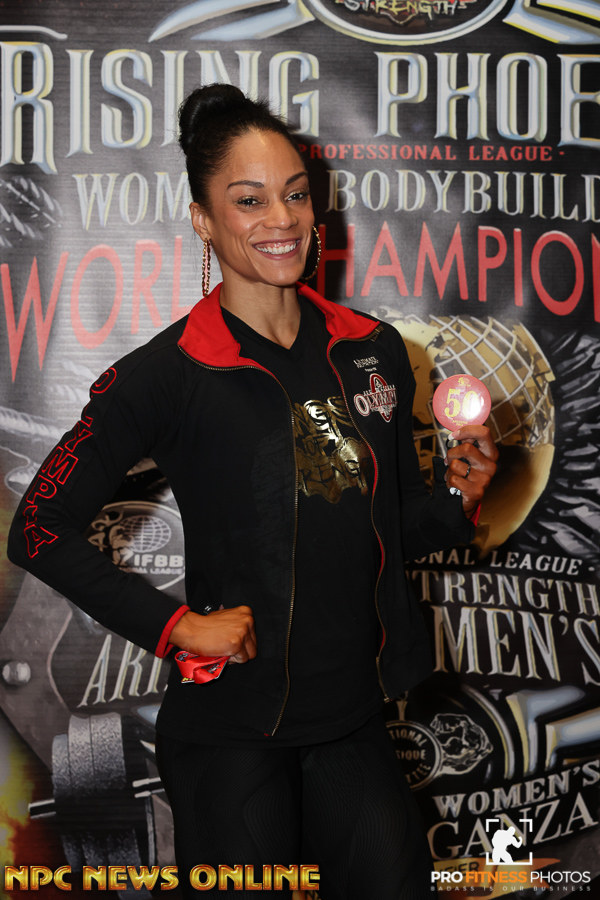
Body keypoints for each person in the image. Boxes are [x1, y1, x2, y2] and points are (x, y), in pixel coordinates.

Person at [8, 83, 498, 899]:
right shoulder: (166, 375)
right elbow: (38, 529)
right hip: (232, 738)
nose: (282, 219)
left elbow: (390, 525)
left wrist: (459, 500)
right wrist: (176, 627)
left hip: (353, 722)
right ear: (203, 220)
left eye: (296, 195)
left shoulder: (371, 350)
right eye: (249, 200)